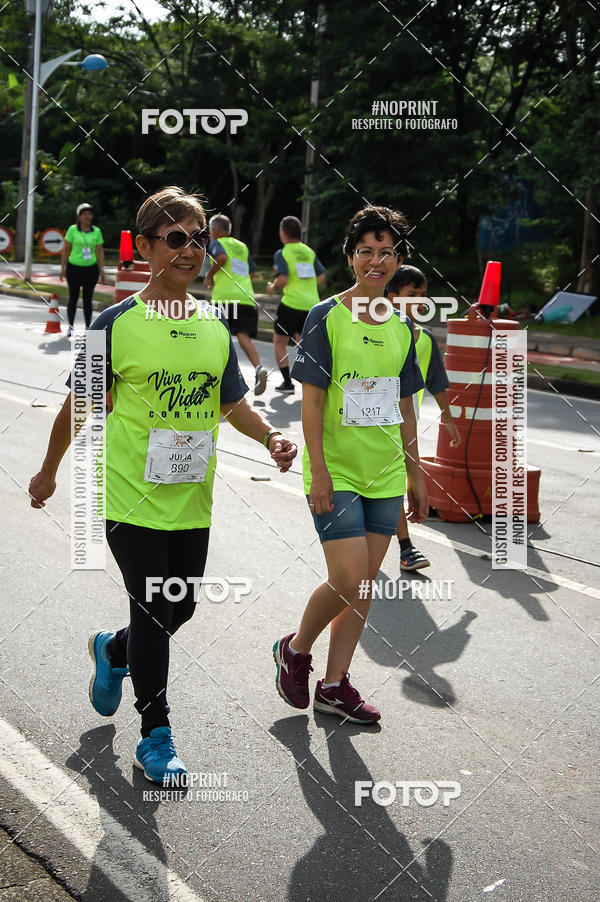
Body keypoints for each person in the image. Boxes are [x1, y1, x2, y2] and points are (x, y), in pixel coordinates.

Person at [29, 186, 297, 784]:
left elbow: (231, 404)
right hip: (128, 497)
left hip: (191, 498)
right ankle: (156, 734)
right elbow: (78, 406)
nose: (189, 249)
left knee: (181, 606)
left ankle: (113, 650)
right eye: (175, 238)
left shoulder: (212, 326)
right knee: (154, 608)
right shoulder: (113, 323)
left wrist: (270, 438)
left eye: (198, 238)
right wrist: (49, 470)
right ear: (146, 246)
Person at [273, 206, 428, 724]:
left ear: (398, 260)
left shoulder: (404, 328)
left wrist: (416, 474)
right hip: (335, 471)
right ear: (350, 257)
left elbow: (406, 407)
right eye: (366, 250)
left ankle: (335, 685)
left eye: (387, 252)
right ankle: (295, 648)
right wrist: (317, 470)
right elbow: (311, 401)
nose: (376, 260)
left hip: (384, 473)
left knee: (364, 584)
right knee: (347, 576)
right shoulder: (326, 317)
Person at [387, 265, 461, 571]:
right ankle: (406, 546)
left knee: (395, 482)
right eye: (411, 294)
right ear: (392, 298)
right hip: (377, 424)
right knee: (390, 484)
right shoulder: (380, 333)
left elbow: (437, 382)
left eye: (423, 295)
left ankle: (399, 545)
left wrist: (449, 417)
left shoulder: (426, 339)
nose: (420, 301)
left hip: (407, 422)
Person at [203, 214, 268, 395]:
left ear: (214, 230)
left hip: (224, 299)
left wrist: (209, 276)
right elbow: (252, 272)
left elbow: (221, 258)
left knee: (217, 337)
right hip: (246, 297)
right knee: (243, 336)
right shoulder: (242, 247)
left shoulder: (216, 243)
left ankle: (217, 377)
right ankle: (258, 368)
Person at [266, 215, 326, 393]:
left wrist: (273, 286)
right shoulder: (308, 251)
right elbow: (322, 276)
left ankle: (287, 383)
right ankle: (312, 383)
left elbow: (283, 279)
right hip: (311, 305)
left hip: (291, 304)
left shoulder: (282, 253)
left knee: (279, 341)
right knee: (304, 344)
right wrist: (306, 286)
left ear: (283, 232)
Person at [60, 202, 105, 336]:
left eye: (89, 214)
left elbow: (100, 251)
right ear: (79, 216)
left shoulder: (96, 231)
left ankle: (88, 327)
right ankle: (70, 326)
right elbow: (66, 249)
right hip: (74, 267)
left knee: (87, 299)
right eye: (84, 214)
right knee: (73, 297)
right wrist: (62, 268)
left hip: (90, 268)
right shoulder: (72, 230)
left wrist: (102, 270)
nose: (87, 216)